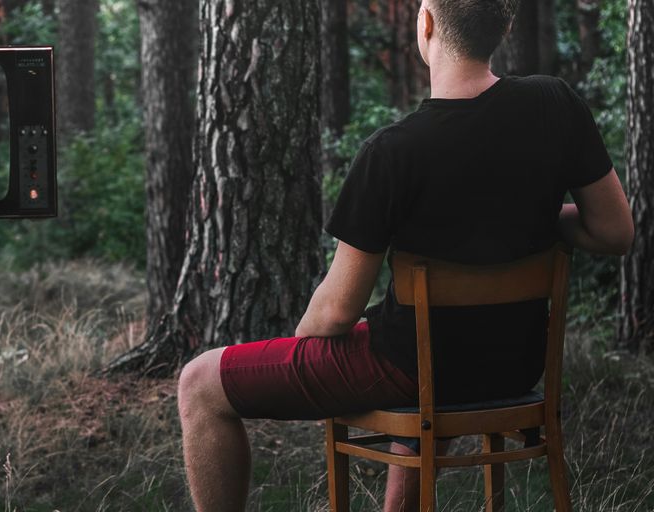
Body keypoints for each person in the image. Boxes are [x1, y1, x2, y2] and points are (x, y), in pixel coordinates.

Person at [174, 0, 635, 510]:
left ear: (427, 23)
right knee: (425, 346)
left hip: (417, 366)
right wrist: (530, 217)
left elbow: (336, 311)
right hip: (514, 365)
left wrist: (305, 345)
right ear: (504, 26)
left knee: (199, 383)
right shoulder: (556, 104)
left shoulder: (392, 152)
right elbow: (615, 231)